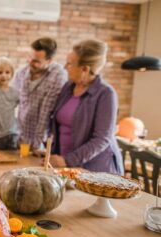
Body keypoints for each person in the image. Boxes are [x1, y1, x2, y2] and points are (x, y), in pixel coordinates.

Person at [49, 39, 124, 175]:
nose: (65, 67)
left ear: (85, 69)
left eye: (70, 64)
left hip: (95, 170)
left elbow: (102, 139)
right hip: (65, 166)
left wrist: (68, 160)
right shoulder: (68, 87)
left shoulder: (106, 94)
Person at [10, 37, 67, 154]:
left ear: (49, 60)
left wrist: (38, 143)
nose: (30, 62)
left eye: (36, 61)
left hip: (42, 143)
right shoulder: (21, 73)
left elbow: (46, 111)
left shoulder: (58, 75)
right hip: (20, 139)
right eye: (30, 57)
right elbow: (12, 103)